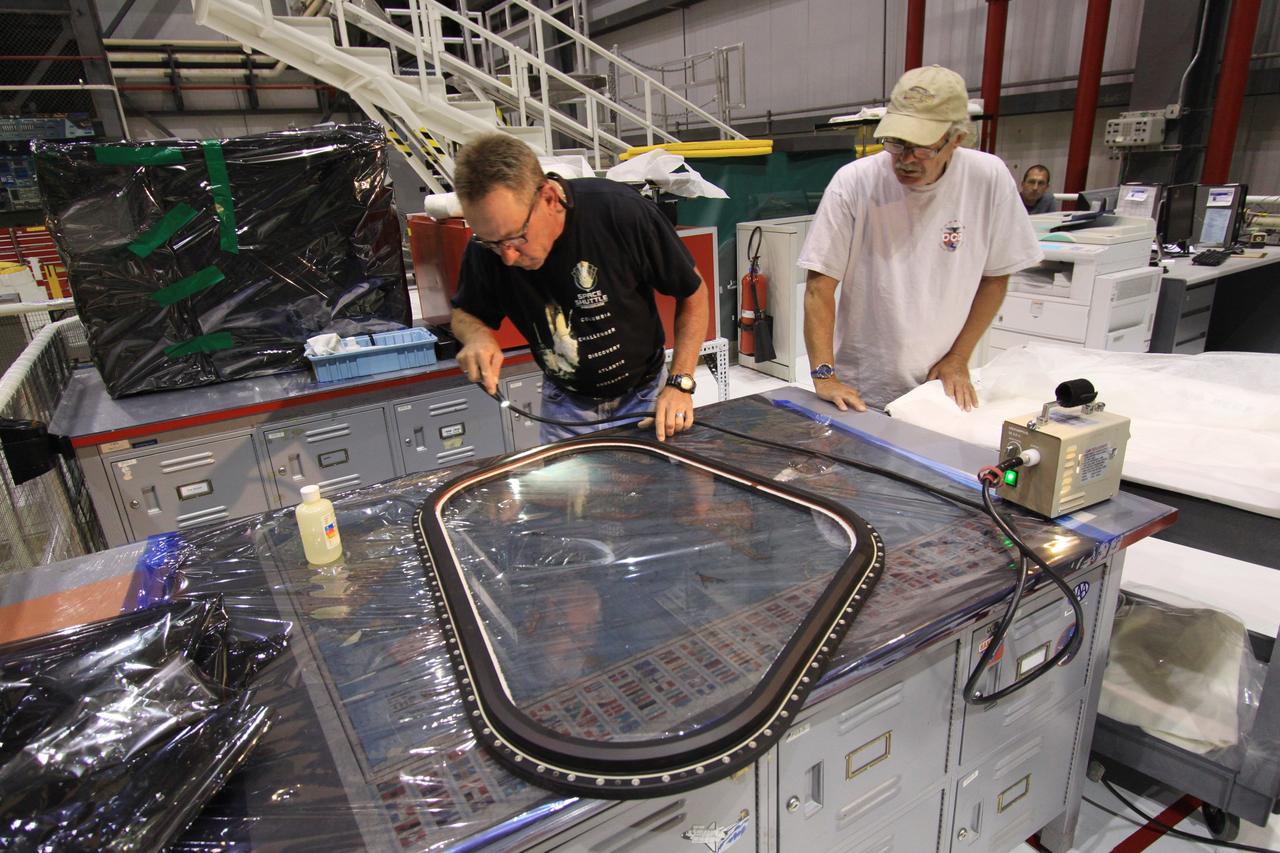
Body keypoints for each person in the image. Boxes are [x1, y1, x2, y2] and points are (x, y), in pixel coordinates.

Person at [799, 65, 1043, 413]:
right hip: (862, 387)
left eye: (921, 148)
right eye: (897, 144)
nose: (905, 160)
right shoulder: (854, 182)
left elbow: (995, 277)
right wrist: (824, 376)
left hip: (940, 385)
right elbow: (819, 287)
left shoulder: (988, 179)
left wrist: (958, 357)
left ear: (956, 139)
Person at [448, 133, 709, 443]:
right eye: (493, 243)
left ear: (549, 198)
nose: (507, 257)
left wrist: (680, 383)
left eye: (516, 237)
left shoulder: (619, 212)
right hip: (565, 407)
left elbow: (693, 293)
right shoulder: (486, 247)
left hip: (645, 397)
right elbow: (465, 312)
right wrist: (476, 336)